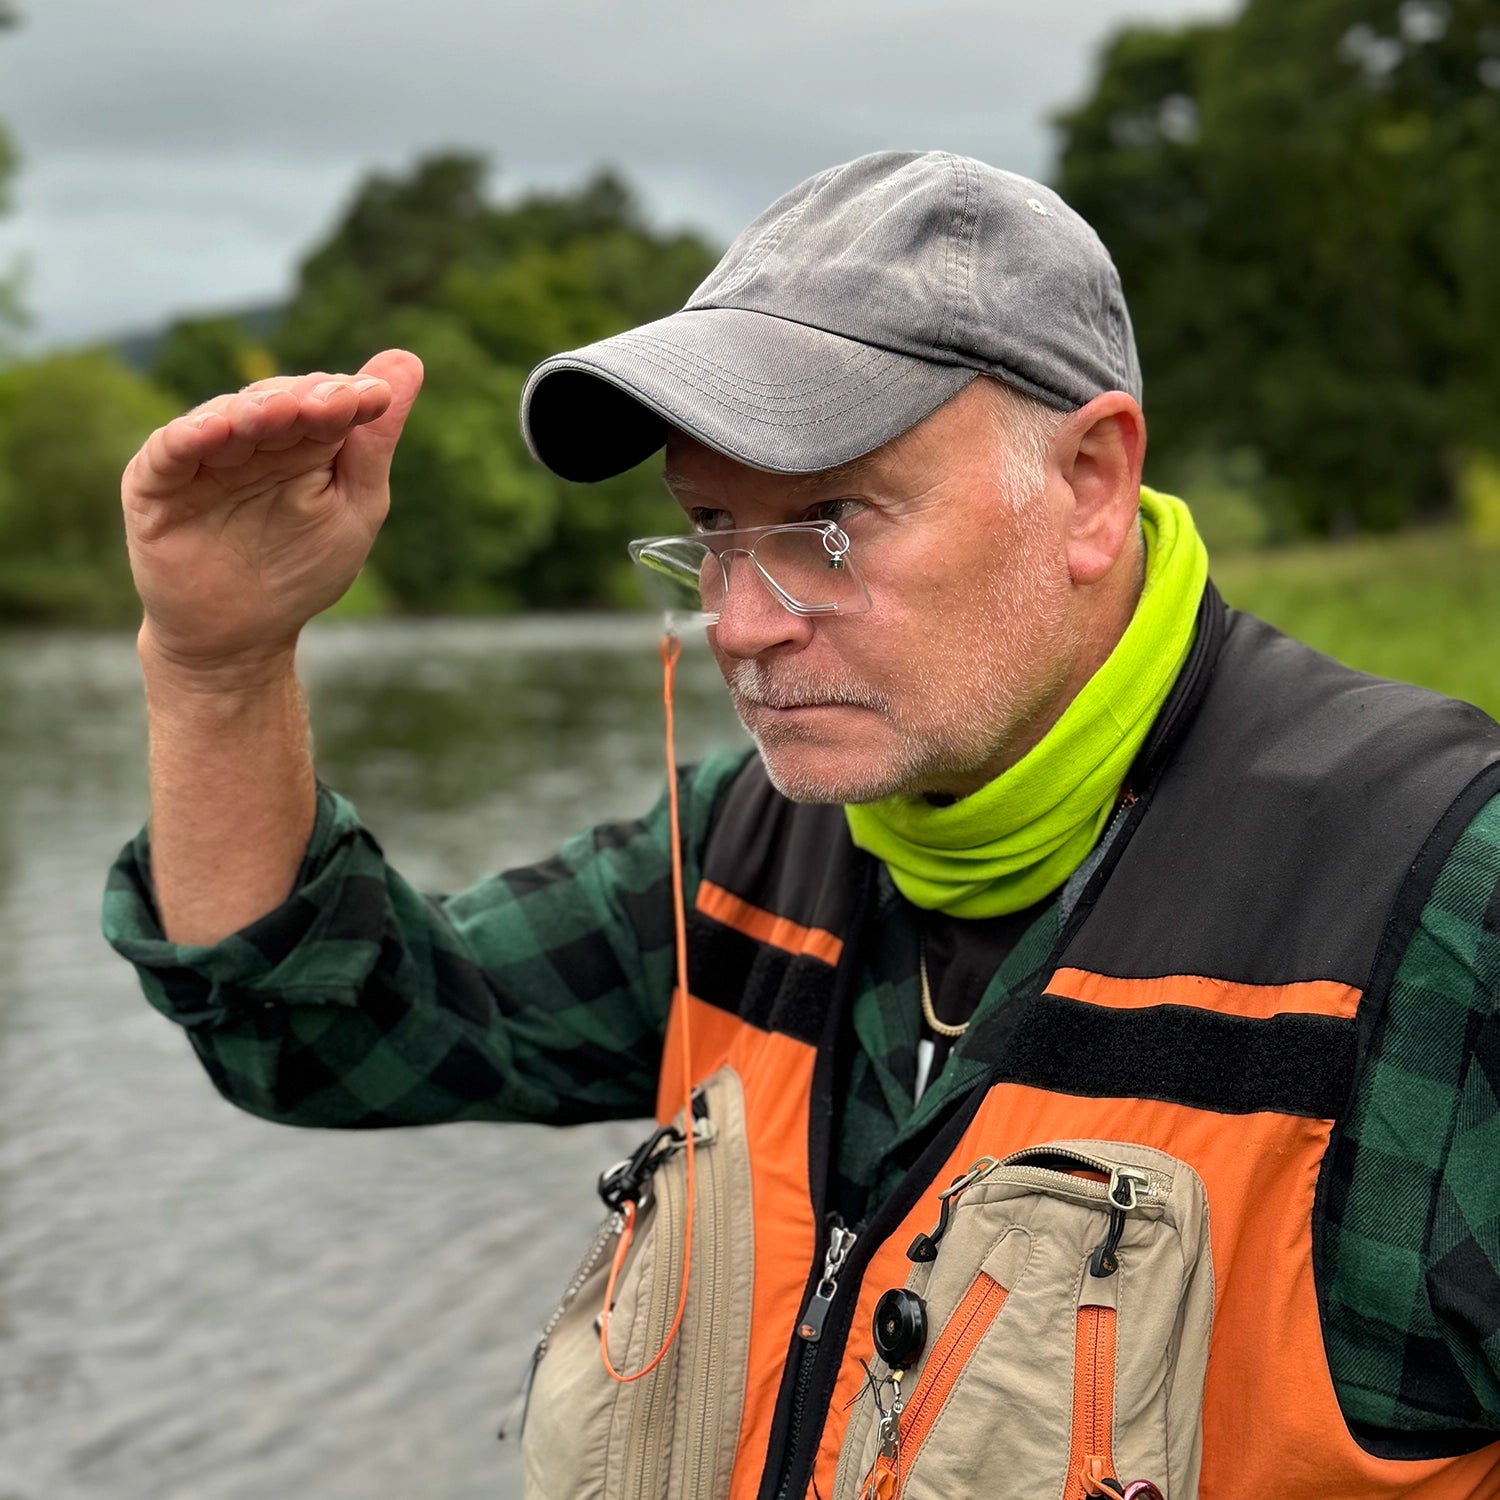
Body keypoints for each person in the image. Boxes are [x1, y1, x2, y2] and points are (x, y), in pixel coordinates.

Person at [104, 152, 1500, 1500]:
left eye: (829, 520)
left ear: (1087, 481)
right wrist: (219, 666)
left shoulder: (1442, 895)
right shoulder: (749, 844)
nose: (740, 622)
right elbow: (327, 1033)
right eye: (715, 527)